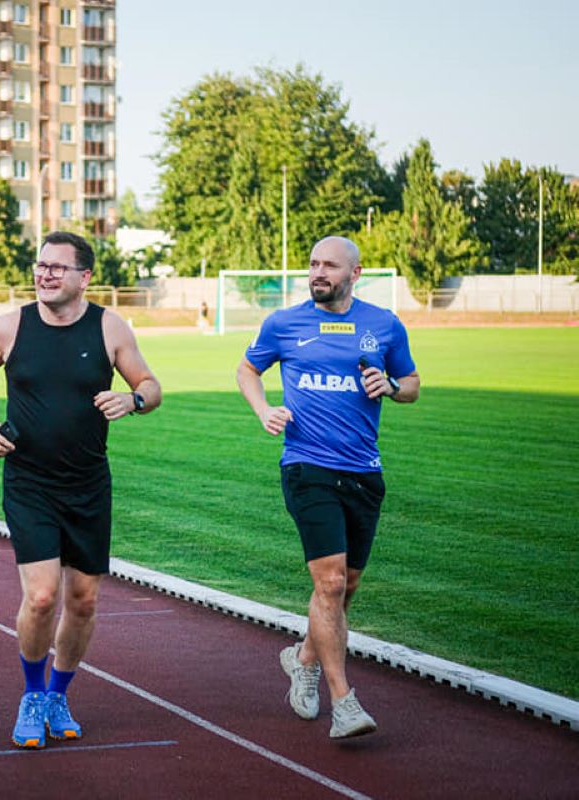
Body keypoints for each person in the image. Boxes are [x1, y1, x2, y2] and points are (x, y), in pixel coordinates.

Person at [0, 230, 161, 749]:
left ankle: (58, 694)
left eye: (56, 268)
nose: (44, 274)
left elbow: (150, 386)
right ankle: (31, 694)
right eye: (40, 266)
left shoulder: (110, 327)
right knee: (43, 595)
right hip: (29, 481)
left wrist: (132, 401)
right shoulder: (10, 327)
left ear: (84, 277)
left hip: (89, 483)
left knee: (85, 600)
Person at [235, 235, 420, 740]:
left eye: (329, 266)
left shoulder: (384, 324)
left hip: (364, 471)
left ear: (354, 274)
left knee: (347, 586)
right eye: (313, 264)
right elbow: (247, 368)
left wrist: (392, 387)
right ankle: (344, 702)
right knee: (331, 583)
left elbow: (412, 384)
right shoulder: (284, 323)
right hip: (306, 465)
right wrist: (263, 409)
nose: (318, 272)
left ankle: (303, 658)